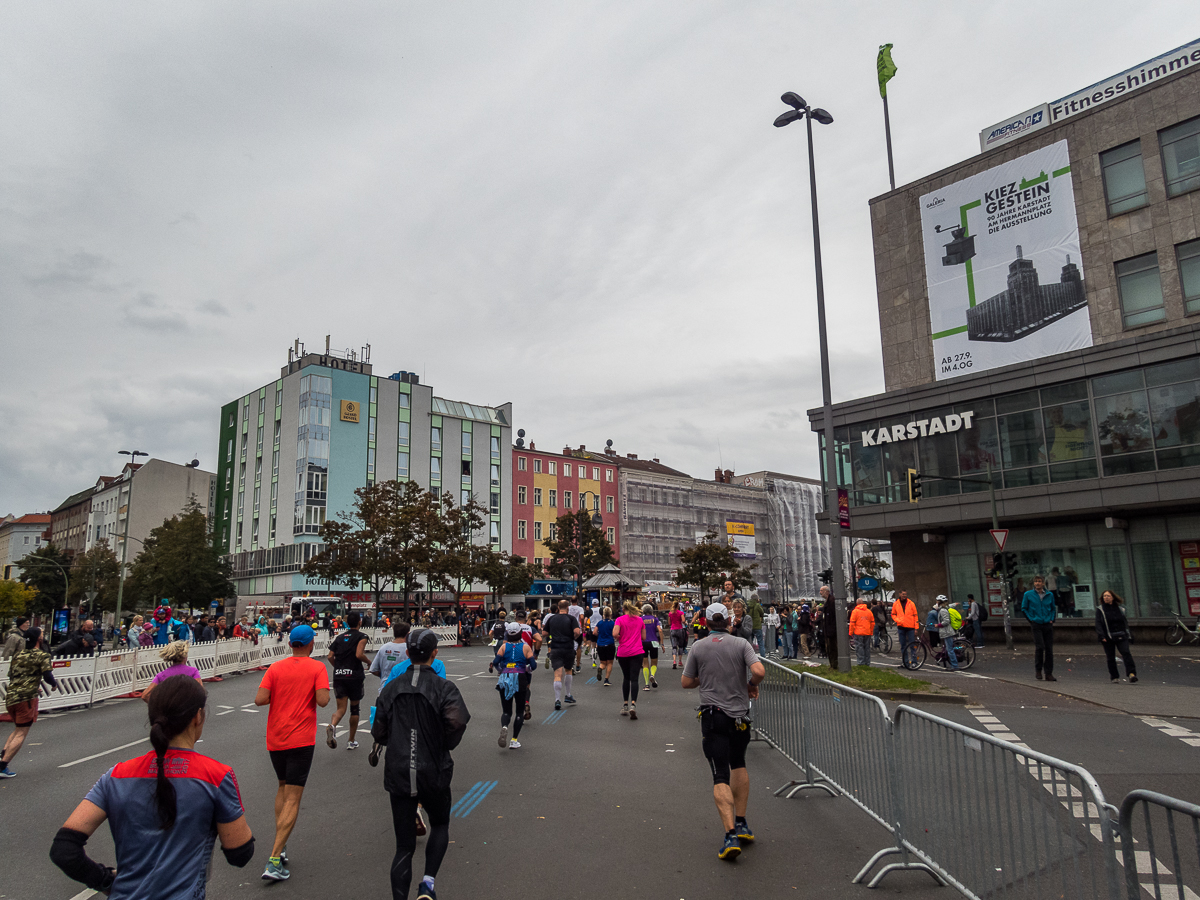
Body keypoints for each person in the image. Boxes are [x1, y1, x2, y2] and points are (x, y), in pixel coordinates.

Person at [49, 675, 254, 897]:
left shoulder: (116, 776)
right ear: (197, 716)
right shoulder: (216, 776)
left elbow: (64, 850)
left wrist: (106, 882)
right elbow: (240, 854)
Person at [371, 628, 470, 900]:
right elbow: (457, 721)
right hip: (434, 768)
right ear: (434, 653)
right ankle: (428, 883)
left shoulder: (391, 687)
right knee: (439, 824)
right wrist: (443, 743)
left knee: (403, 846)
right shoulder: (444, 687)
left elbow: (378, 731)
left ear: (408, 653)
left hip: (400, 770)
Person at [681, 602, 766, 862]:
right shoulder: (741, 644)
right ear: (729, 621)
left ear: (706, 623)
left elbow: (686, 682)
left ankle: (730, 835)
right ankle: (741, 823)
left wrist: (703, 678)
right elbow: (759, 671)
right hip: (740, 716)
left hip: (713, 715)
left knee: (720, 773)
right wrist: (751, 684)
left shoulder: (698, 646)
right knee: (739, 763)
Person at [253, 624, 330, 881]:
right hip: (301, 739)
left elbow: (260, 699)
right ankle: (274, 860)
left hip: (276, 737)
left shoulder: (275, 667)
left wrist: (283, 694)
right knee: (294, 797)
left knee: (283, 788)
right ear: (311, 644)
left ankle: (281, 845)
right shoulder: (317, 667)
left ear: (289, 645)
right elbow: (322, 701)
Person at [1, 628, 58, 778]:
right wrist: (54, 684)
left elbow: (14, 675)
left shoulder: (18, 655)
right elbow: (47, 674)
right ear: (38, 639)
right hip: (26, 699)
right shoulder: (42, 655)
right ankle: (2, 765)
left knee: (17, 729)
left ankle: (2, 759)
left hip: (12, 697)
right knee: (21, 732)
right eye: (42, 634)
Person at [326, 612, 370, 750]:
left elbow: (329, 656)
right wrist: (368, 662)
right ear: (359, 622)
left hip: (339, 675)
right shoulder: (362, 636)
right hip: (354, 675)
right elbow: (359, 654)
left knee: (341, 708)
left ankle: (332, 725)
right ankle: (351, 740)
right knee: (354, 709)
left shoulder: (339, 637)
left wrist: (337, 667)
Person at [494, 621, 534, 749]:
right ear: (520, 633)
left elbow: (495, 662)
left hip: (505, 677)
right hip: (520, 677)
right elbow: (533, 665)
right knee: (519, 711)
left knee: (506, 711)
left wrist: (501, 669)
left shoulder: (504, 647)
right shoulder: (526, 647)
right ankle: (514, 740)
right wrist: (526, 669)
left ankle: (504, 726)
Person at [543, 599, 581, 711]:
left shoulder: (552, 618)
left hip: (555, 648)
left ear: (558, 608)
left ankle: (557, 700)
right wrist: (572, 637)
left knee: (557, 674)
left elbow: (544, 633)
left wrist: (552, 634)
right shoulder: (571, 619)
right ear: (568, 608)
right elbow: (577, 632)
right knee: (568, 670)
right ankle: (568, 695)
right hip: (568, 647)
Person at [1021, 574, 1058, 682]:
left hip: (1047, 623)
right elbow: (1024, 608)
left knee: (1049, 649)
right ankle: (1038, 670)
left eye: (1040, 581)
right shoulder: (1028, 594)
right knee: (1040, 647)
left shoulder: (1049, 594)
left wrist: (1051, 619)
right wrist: (1031, 619)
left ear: (1043, 583)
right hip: (1036, 623)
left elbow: (1052, 608)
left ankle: (1048, 673)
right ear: (1034, 583)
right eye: (1036, 581)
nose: (1038, 583)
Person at [612, 600, 645, 719]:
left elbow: (614, 633)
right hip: (637, 651)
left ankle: (625, 704)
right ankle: (633, 704)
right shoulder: (640, 620)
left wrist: (621, 637)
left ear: (623, 610)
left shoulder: (620, 620)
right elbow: (644, 636)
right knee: (634, 679)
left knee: (626, 677)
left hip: (623, 652)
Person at [1097, 590, 1137, 683]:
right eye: (1104, 596)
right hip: (1108, 636)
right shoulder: (1101, 610)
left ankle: (1131, 673)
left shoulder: (1120, 609)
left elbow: (1124, 622)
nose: (1106, 597)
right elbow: (1098, 623)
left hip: (1121, 634)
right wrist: (1101, 635)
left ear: (1113, 597)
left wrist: (1128, 634)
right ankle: (1114, 676)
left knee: (1126, 652)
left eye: (1108, 596)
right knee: (1110, 657)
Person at [370, 621, 411, 692]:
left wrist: (384, 676)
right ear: (407, 634)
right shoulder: (409, 649)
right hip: (403, 689)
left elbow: (373, 669)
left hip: (385, 687)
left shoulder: (384, 647)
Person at [890, 591, 919, 668]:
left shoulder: (911, 603)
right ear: (899, 594)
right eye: (903, 594)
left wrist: (916, 628)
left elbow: (915, 616)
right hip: (901, 627)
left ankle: (914, 662)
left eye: (905, 594)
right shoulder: (896, 604)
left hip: (910, 627)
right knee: (903, 646)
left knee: (912, 645)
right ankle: (905, 662)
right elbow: (893, 614)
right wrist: (898, 620)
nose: (904, 596)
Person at [640, 603, 663, 690]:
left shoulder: (640, 619)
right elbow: (660, 630)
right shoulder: (655, 619)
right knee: (654, 662)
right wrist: (662, 643)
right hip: (654, 641)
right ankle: (652, 674)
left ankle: (646, 685)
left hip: (643, 641)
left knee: (645, 663)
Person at [934, 596, 960, 670]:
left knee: (950, 650)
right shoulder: (945, 608)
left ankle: (955, 666)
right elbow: (950, 605)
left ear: (939, 602)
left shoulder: (943, 610)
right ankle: (953, 664)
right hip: (946, 632)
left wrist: (938, 625)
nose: (936, 603)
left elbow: (946, 621)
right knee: (948, 649)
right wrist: (955, 604)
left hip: (947, 632)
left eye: (937, 601)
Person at [849, 596, 875, 667]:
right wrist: (871, 631)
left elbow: (852, 623)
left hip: (858, 632)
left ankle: (861, 663)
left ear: (857, 603)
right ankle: (867, 663)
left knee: (859, 648)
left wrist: (851, 632)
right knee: (867, 648)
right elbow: (872, 623)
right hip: (867, 632)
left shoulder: (855, 611)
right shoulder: (869, 612)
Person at [595, 606, 616, 686]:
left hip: (600, 644)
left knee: (603, 662)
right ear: (610, 614)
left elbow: (594, 632)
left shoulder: (600, 623)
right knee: (610, 662)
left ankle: (600, 668)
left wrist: (600, 635)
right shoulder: (612, 623)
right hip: (610, 643)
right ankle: (606, 680)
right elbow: (615, 633)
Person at [819, 586, 840, 670]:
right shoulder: (828, 601)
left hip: (831, 630)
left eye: (821, 591)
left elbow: (833, 616)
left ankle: (834, 665)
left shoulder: (832, 601)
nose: (820, 592)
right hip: (828, 629)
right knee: (829, 648)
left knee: (832, 648)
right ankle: (832, 665)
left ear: (826, 591)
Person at [568, 596, 586, 674]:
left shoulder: (568, 608)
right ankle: (578, 665)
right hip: (577, 628)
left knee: (569, 647)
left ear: (570, 601)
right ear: (577, 601)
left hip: (568, 628)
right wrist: (582, 625)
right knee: (578, 647)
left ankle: (570, 665)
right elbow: (581, 617)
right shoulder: (580, 609)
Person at [668, 601, 687, 669]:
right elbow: (683, 621)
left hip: (673, 630)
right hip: (679, 629)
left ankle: (674, 661)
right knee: (681, 646)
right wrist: (685, 623)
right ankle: (680, 661)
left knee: (674, 646)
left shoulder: (670, 613)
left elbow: (669, 623)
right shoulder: (681, 613)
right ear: (678, 606)